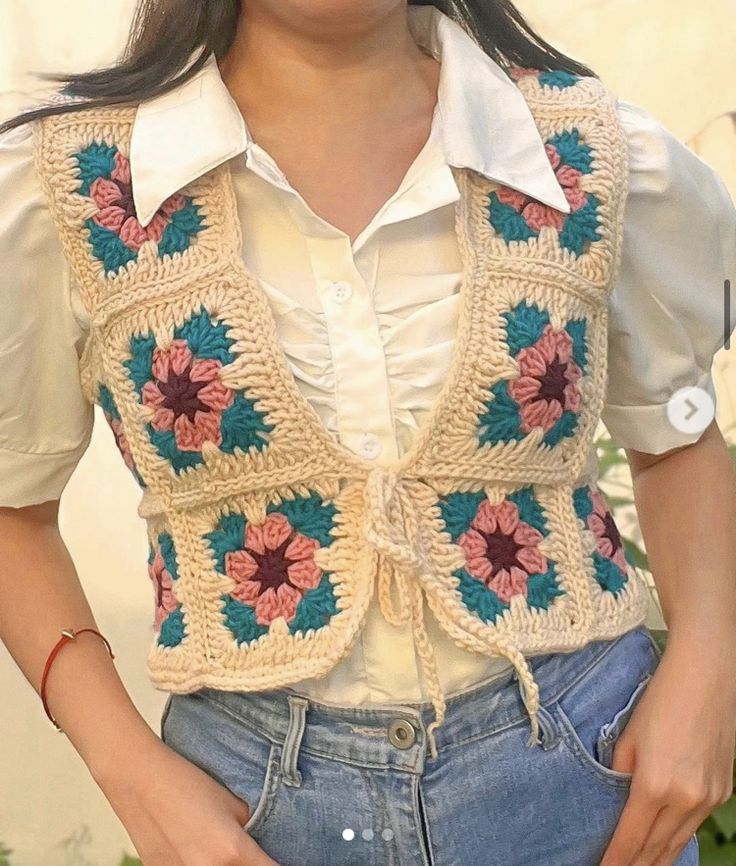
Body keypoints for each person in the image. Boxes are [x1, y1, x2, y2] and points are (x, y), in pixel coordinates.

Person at [1, 1, 735, 864]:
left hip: (584, 774)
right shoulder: (76, 187)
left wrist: (709, 666)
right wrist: (125, 765)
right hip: (248, 808)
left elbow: (677, 431)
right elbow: (13, 504)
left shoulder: (586, 151)